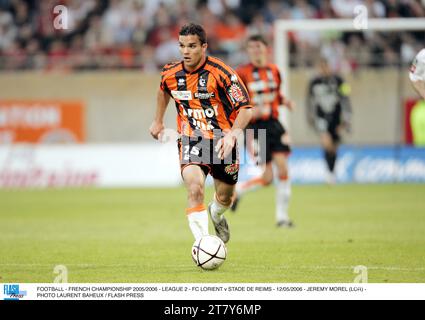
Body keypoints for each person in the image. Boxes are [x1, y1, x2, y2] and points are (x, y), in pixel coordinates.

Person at [149, 23, 252, 243]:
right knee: (195, 188)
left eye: (192, 46)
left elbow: (245, 108)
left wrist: (234, 134)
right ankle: (203, 243)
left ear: (204, 46)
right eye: (182, 46)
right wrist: (157, 121)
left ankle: (216, 214)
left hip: (223, 142)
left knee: (225, 198)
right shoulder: (170, 72)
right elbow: (163, 92)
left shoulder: (222, 73)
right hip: (191, 139)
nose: (186, 51)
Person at [232, 34, 295, 228]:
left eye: (258, 47)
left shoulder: (275, 70)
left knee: (283, 168)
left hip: (275, 124)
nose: (255, 51)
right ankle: (239, 190)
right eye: (251, 48)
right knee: (267, 178)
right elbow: (234, 100)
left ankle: (282, 217)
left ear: (266, 49)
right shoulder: (241, 73)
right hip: (255, 128)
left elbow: (275, 94)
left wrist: (285, 102)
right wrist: (250, 110)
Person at [306, 58, 352, 184]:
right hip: (321, 117)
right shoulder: (314, 82)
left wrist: (347, 119)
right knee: (326, 142)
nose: (323, 70)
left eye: (325, 67)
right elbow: (310, 102)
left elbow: (346, 99)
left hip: (336, 118)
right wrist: (310, 118)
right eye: (321, 67)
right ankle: (328, 172)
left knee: (334, 147)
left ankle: (332, 170)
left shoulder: (339, 81)